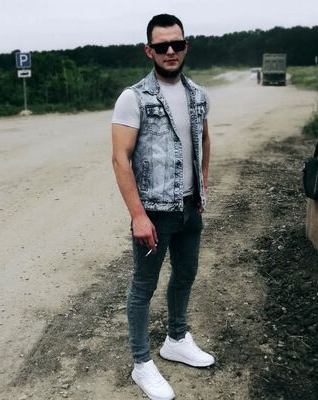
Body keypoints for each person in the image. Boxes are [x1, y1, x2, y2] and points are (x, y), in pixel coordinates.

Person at [111, 13, 214, 400]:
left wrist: (202, 187)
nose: (170, 51)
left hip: (189, 208)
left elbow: (204, 142)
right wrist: (138, 215)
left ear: (186, 45)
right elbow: (120, 159)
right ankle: (141, 363)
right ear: (148, 51)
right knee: (143, 287)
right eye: (161, 46)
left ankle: (176, 339)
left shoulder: (198, 94)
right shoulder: (134, 97)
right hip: (154, 211)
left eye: (177, 44)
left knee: (186, 274)